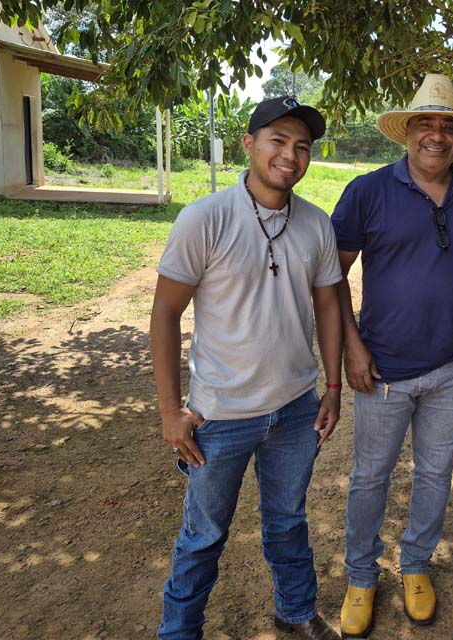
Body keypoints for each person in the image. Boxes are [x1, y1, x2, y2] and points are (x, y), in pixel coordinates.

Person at [151, 96, 344, 640]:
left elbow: (329, 304)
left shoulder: (315, 225)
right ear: (249, 144)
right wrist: (171, 409)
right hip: (220, 415)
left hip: (295, 409)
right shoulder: (205, 218)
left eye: (301, 146)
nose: (290, 155)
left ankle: (296, 614)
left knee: (288, 523)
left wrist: (332, 386)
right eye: (278, 141)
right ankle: (179, 631)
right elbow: (165, 314)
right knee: (204, 535)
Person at [331, 73, 453, 637]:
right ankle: (361, 574)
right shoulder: (368, 191)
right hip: (381, 367)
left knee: (435, 473)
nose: (436, 135)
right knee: (370, 477)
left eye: (447, 126)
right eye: (425, 124)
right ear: (407, 132)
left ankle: (416, 565)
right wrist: (351, 347)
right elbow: (332, 275)